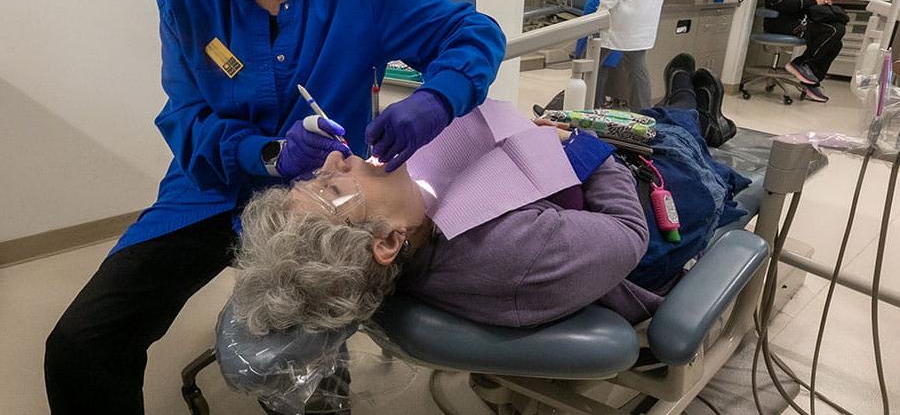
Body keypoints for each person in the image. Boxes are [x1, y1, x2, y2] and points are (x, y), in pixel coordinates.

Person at [43, 0, 505, 414]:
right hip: (213, 189)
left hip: (322, 200)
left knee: (309, 376)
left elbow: (472, 31)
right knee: (81, 343)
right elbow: (184, 119)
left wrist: (437, 98)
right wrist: (266, 154)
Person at [230, 55, 749, 335]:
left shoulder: (413, 220)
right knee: (673, 136)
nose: (331, 159)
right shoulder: (509, 252)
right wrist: (589, 152)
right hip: (652, 217)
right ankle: (695, 109)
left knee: (638, 117)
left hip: (564, 190)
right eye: (332, 185)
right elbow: (630, 235)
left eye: (314, 174)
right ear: (385, 243)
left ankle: (690, 103)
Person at [765, 0, 846, 103]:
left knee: (837, 39)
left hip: (806, 19)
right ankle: (802, 64)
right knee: (831, 31)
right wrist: (812, 2)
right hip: (784, 22)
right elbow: (779, 3)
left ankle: (812, 78)